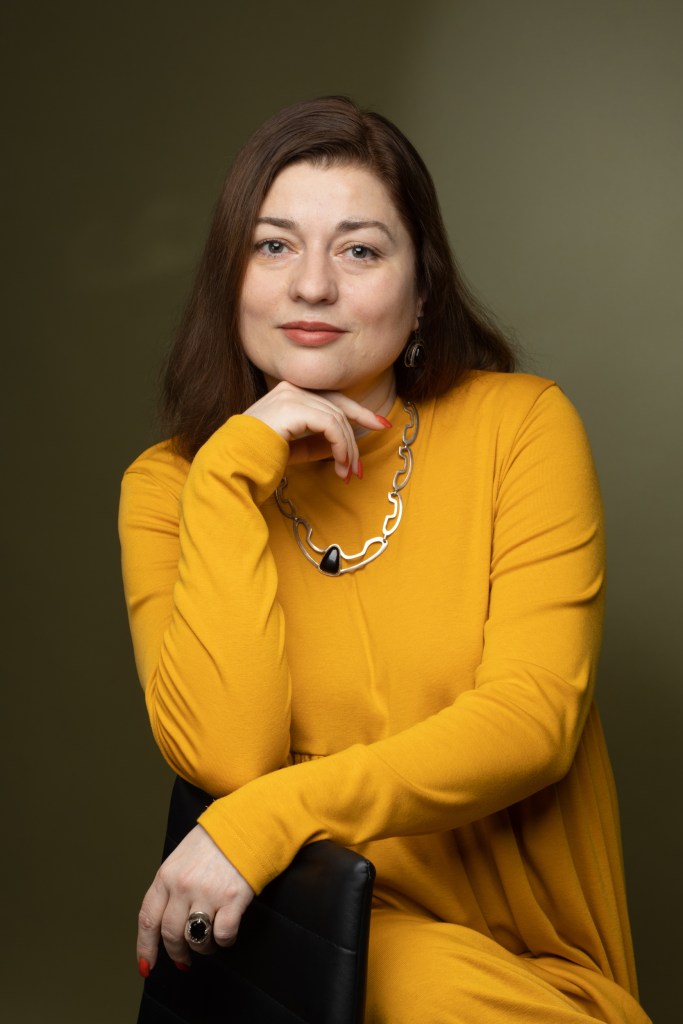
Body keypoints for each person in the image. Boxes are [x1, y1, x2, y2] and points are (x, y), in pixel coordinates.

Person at [119, 96, 650, 1023]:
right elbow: (228, 755)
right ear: (228, 279)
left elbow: (532, 720)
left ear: (422, 293)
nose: (312, 286)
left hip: (527, 962)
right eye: (273, 245)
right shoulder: (173, 487)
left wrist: (266, 821)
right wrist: (231, 471)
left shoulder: (517, 425)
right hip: (314, 938)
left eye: (359, 250)